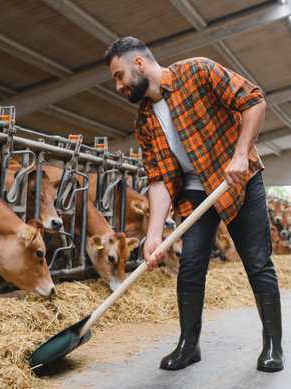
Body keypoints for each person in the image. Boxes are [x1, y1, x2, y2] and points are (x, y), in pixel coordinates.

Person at [104, 36, 284, 372]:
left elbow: (254, 100)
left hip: (237, 178)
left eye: (119, 75)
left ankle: (273, 345)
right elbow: (159, 179)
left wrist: (241, 154)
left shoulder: (198, 72)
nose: (118, 85)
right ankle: (189, 345)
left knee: (257, 262)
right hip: (195, 194)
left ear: (139, 65)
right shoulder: (144, 120)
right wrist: (155, 234)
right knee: (190, 267)